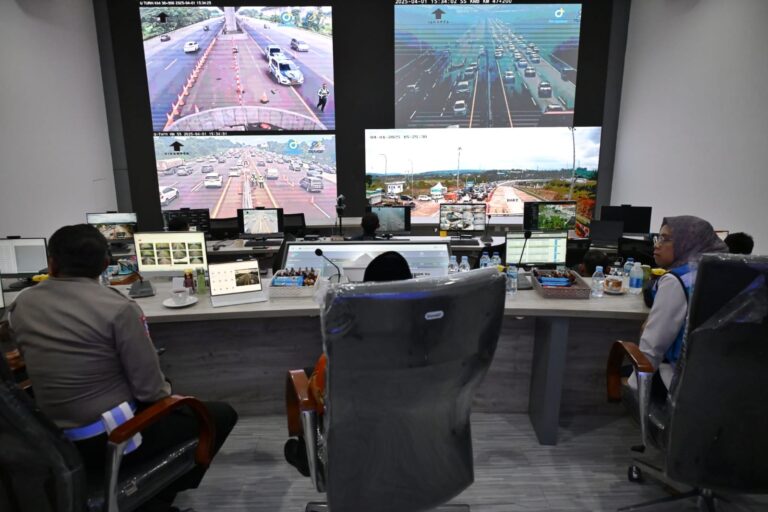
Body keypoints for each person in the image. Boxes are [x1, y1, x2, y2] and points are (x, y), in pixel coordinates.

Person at [7, 224, 237, 512]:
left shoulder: (22, 303)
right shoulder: (119, 308)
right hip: (109, 439)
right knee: (219, 414)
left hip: (51, 440)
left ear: (51, 264)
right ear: (106, 264)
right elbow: (151, 392)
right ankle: (154, 494)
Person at [284, 251, 413, 476]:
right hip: (420, 441)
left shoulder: (345, 345)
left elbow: (322, 394)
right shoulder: (430, 340)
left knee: (307, 376)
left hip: (355, 444)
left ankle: (308, 455)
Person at [630, 216, 728, 394]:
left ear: (687, 242)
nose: (657, 245)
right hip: (727, 383)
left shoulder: (676, 280)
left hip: (680, 384)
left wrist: (634, 390)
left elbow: (652, 347)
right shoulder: (724, 272)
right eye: (658, 238)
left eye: (665, 239)